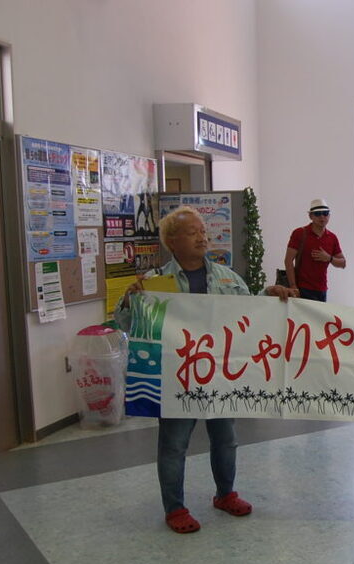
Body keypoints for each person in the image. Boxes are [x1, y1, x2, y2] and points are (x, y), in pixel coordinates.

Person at [116, 207, 296, 533]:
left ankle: (226, 494)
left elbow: (249, 313)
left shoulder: (227, 278)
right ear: (172, 241)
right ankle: (175, 509)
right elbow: (128, 324)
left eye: (203, 231)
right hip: (177, 376)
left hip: (220, 374)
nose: (202, 237)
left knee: (226, 438)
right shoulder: (155, 283)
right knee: (174, 445)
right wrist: (131, 302)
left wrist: (269, 295)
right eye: (192, 232)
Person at [283, 198, 346, 301]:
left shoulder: (332, 237)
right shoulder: (299, 233)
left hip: (322, 290)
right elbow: (288, 260)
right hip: (301, 289)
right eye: (317, 214)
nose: (322, 217)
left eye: (325, 213)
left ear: (329, 216)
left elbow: (343, 263)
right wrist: (293, 286)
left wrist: (328, 258)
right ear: (310, 216)